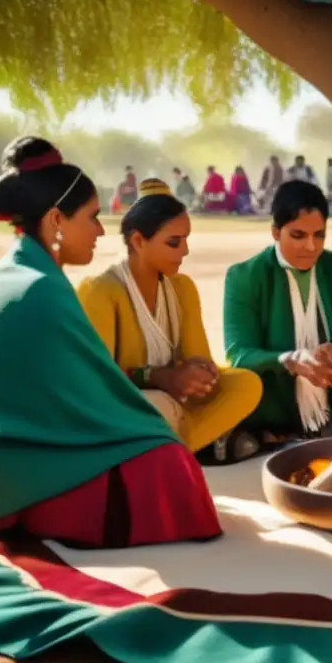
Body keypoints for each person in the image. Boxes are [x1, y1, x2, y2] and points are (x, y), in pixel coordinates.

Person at [0, 137, 221, 547]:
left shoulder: (25, 270)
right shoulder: (40, 286)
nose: (99, 230)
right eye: (92, 217)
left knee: (158, 444)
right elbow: (95, 393)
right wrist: (152, 423)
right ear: (57, 220)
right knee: (165, 462)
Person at [78, 179, 262, 463]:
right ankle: (173, 450)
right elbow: (96, 382)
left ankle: (166, 451)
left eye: (186, 240)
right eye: (174, 243)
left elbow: (198, 357)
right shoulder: (102, 291)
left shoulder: (181, 288)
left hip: (175, 401)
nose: (185, 251)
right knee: (159, 405)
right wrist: (159, 377)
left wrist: (200, 375)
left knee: (246, 385)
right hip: (123, 405)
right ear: (138, 241)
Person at [223, 180, 332, 441]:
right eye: (298, 235)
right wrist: (290, 360)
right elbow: (238, 354)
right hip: (273, 404)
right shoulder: (244, 277)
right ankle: (271, 432)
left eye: (319, 235)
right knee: (234, 382)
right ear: (276, 232)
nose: (311, 246)